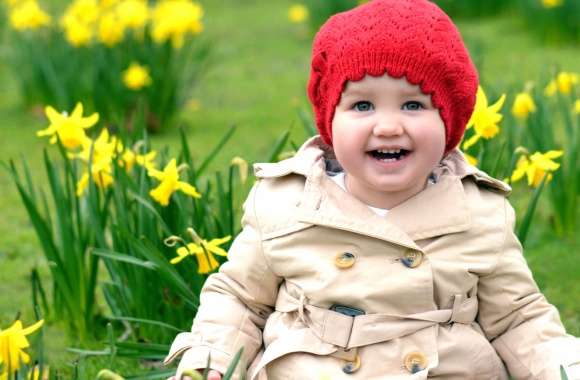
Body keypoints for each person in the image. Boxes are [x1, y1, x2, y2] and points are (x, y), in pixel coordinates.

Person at [165, 0, 580, 379]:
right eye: (362, 105)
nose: (387, 126)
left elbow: (518, 319)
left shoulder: (478, 212)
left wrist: (561, 368)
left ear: (448, 124)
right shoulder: (287, 202)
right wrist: (212, 360)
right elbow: (239, 299)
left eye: (413, 105)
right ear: (330, 121)